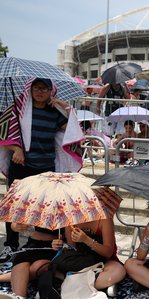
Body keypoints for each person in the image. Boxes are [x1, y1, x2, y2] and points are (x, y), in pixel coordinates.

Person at [0, 78, 83, 263]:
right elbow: (3, 129)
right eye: (36, 88)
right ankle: (11, 245)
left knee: (46, 206)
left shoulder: (56, 112)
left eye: (44, 88)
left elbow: (72, 129)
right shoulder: (18, 108)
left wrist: (64, 106)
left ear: (51, 91)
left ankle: (42, 244)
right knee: (14, 206)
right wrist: (16, 149)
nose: (40, 92)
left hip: (46, 167)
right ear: (30, 89)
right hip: (20, 165)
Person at [0, 225, 62, 299]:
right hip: (34, 246)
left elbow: (68, 239)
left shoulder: (65, 215)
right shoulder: (32, 211)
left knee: (37, 266)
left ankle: (4, 279)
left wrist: (34, 234)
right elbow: (13, 225)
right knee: (21, 258)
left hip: (54, 248)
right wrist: (15, 227)